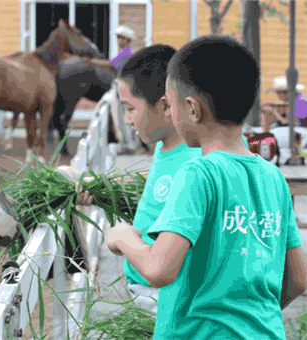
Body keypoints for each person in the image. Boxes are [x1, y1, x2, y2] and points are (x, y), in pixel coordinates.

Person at [97, 35, 307, 339]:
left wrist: (123, 238)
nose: (169, 113)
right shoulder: (272, 177)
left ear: (192, 110)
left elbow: (159, 268)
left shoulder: (197, 173)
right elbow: (298, 279)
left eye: (172, 105)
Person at [76, 43, 250, 317]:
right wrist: (104, 189)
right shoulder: (165, 146)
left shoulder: (196, 163)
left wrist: (122, 238)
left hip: (169, 299)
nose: (127, 120)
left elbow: (163, 267)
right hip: (151, 292)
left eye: (130, 109)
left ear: (166, 105)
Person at [83, 26, 147, 155]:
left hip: (124, 89)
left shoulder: (127, 53)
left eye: (120, 37)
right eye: (117, 37)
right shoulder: (126, 53)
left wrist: (91, 62)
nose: (118, 40)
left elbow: (110, 65)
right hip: (126, 88)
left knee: (124, 117)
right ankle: (130, 144)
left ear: (127, 39)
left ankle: (129, 146)